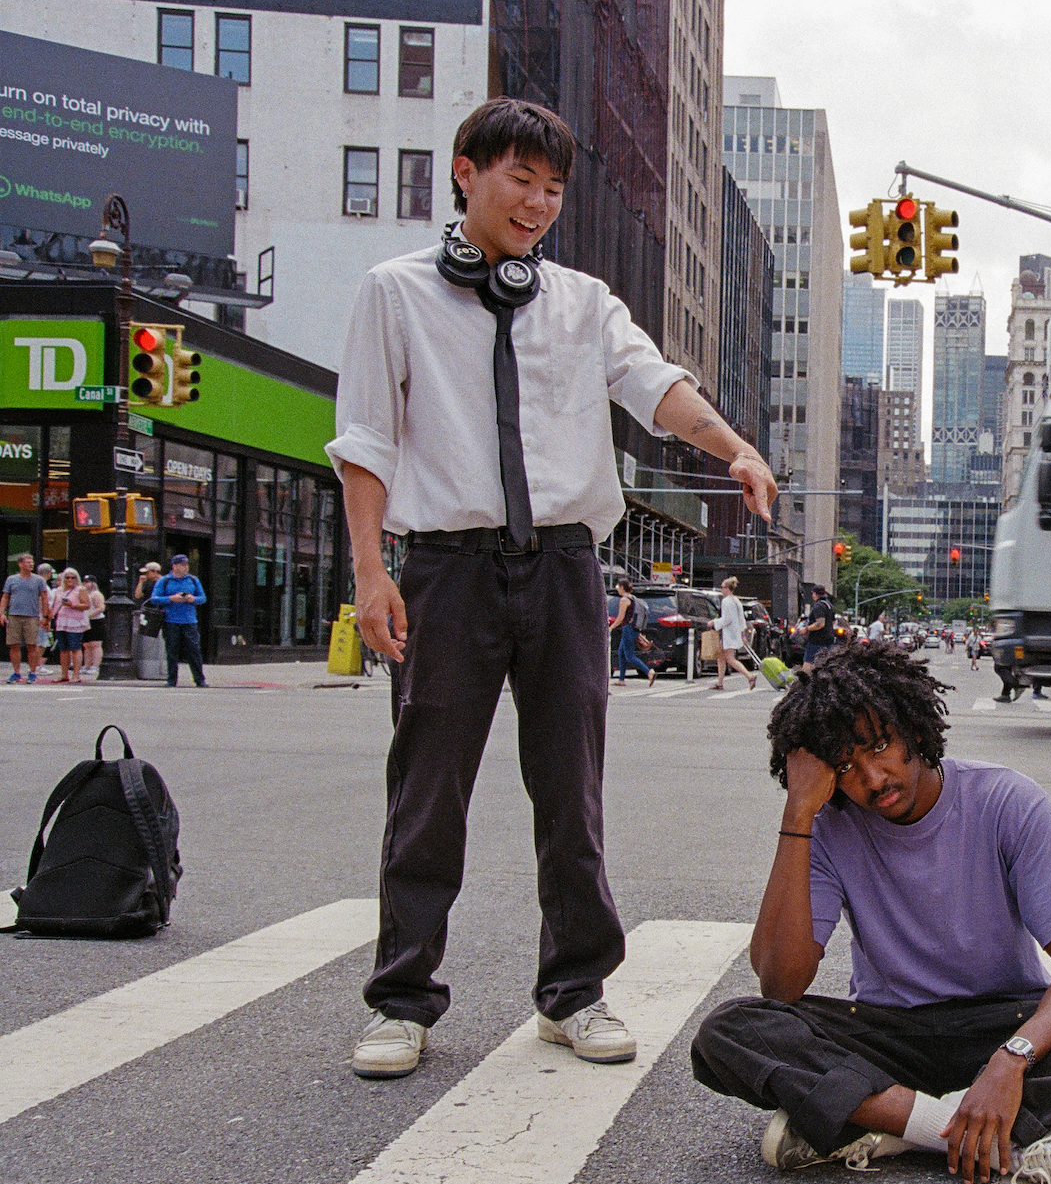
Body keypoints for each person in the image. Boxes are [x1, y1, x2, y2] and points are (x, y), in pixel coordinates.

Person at [328, 97, 778, 1080]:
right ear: (465, 172)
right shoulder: (393, 293)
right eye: (518, 179)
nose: (537, 202)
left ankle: (573, 992)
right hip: (444, 571)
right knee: (426, 792)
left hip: (566, 569)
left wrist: (734, 445)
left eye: (552, 188)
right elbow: (362, 439)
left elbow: (653, 386)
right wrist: (371, 574)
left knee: (570, 793)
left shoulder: (581, 302)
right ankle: (402, 999)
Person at [690, 641, 1051, 1184]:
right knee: (732, 1029)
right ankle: (981, 1133)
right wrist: (798, 813)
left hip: (1003, 1024)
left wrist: (1009, 1063)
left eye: (879, 745)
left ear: (912, 726)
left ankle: (885, 1124)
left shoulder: (1006, 800)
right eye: (845, 767)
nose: (873, 777)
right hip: (890, 1034)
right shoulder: (829, 827)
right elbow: (781, 985)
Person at [148, 553, 208, 687]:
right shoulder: (164, 581)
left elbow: (203, 598)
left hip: (190, 620)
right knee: (172, 651)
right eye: (182, 565)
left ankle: (200, 679)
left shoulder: (193, 580)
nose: (185, 568)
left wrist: (193, 599)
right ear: (174, 566)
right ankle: (171, 680)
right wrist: (170, 598)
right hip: (170, 620)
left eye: (187, 565)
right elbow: (154, 599)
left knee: (194, 650)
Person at [5, 552, 47, 684]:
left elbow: (44, 598)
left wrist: (45, 616)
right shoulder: (11, 579)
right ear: (20, 564)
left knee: (32, 645)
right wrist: (2, 613)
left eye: (32, 562)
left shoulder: (38, 580)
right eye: (28, 562)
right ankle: (17, 672)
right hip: (14, 615)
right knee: (14, 644)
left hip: (32, 616)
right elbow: (5, 596)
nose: (31, 564)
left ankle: (32, 672)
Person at [712, 575, 759, 691]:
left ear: (728, 588)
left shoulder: (726, 601)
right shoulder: (736, 600)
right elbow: (741, 618)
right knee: (721, 657)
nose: (721, 589)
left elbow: (726, 619)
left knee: (730, 658)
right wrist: (742, 633)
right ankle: (720, 682)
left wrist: (714, 622)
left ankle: (750, 676)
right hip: (733, 633)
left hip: (729, 634)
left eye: (722, 587)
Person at [608, 577, 653, 686]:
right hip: (634, 628)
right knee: (621, 653)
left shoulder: (624, 600)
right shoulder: (633, 598)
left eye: (618, 587)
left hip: (628, 628)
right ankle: (621, 679)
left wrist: (611, 628)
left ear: (622, 587)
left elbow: (620, 617)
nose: (617, 589)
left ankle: (649, 672)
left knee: (629, 655)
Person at [49, 568, 90, 684]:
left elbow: (87, 605)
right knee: (63, 649)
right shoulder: (58, 590)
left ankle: (76, 674)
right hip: (61, 621)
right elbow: (54, 606)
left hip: (75, 621)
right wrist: (48, 618)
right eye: (67, 577)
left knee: (75, 647)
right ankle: (64, 674)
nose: (70, 580)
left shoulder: (80, 590)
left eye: (73, 577)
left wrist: (72, 605)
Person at [80, 575, 106, 681]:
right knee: (87, 645)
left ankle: (95, 665)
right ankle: (87, 665)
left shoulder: (96, 594)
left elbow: (100, 608)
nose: (86, 584)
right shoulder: (85, 594)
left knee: (95, 644)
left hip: (96, 621)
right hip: (87, 621)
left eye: (88, 582)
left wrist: (89, 616)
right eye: (84, 581)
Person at [801, 586, 835, 665]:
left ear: (815, 594)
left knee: (808, 663)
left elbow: (820, 624)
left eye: (812, 593)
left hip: (816, 640)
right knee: (824, 664)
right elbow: (833, 622)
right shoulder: (829, 605)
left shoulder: (818, 606)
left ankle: (806, 677)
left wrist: (806, 629)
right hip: (828, 640)